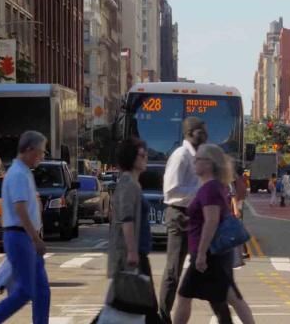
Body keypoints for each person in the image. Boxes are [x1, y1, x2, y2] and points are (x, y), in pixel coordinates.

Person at [173, 144, 255, 324]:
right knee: (228, 298)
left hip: (208, 254)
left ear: (209, 164)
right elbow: (208, 218)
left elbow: (211, 221)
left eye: (198, 159)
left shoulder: (210, 188)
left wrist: (201, 254)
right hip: (212, 254)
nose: (194, 162)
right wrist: (188, 223)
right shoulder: (215, 186)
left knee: (185, 296)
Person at [0, 131, 50, 324]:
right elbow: (20, 208)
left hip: (24, 237)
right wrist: (35, 238)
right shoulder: (17, 174)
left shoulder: (23, 172)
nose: (41, 157)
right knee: (26, 290)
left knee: (42, 291)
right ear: (29, 150)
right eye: (40, 152)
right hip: (20, 237)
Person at [159, 117, 207, 324]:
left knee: (200, 265)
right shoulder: (181, 155)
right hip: (179, 214)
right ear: (189, 133)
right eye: (200, 131)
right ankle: (162, 316)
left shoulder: (196, 156)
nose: (205, 135)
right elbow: (171, 189)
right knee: (173, 270)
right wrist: (200, 192)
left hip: (193, 216)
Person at [106, 137, 159, 323]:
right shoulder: (128, 184)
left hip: (138, 253)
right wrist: (131, 251)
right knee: (143, 306)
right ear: (131, 158)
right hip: (132, 256)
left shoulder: (133, 183)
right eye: (142, 155)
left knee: (130, 304)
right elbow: (126, 219)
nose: (146, 158)